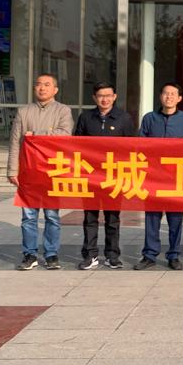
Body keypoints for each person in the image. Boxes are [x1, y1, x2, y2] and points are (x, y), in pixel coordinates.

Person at [7, 73, 73, 271]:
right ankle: (30, 254)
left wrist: (37, 135)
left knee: (52, 216)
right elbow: (15, 142)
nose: (42, 88)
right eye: (38, 84)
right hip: (29, 171)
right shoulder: (24, 112)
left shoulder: (63, 110)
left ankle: (51, 254)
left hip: (53, 171)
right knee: (28, 217)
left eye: (47, 84)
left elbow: (65, 135)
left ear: (55, 89)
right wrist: (12, 170)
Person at [134, 82, 183, 271]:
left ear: (179, 98)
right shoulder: (149, 118)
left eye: (173, 94)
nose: (169, 97)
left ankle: (174, 255)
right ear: (160, 96)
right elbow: (140, 144)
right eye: (165, 93)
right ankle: (149, 255)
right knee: (152, 217)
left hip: (176, 177)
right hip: (153, 176)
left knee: (175, 218)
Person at [74, 82, 136, 270]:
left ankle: (112, 256)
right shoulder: (86, 117)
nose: (105, 99)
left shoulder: (124, 118)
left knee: (113, 218)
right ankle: (90, 255)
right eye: (101, 95)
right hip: (90, 175)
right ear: (94, 98)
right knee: (90, 217)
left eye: (108, 95)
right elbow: (76, 144)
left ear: (114, 97)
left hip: (114, 176)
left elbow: (132, 147)